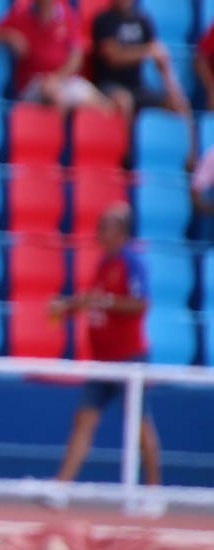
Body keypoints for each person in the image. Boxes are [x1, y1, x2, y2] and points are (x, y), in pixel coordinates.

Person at [46, 203, 160, 501]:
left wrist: (107, 302)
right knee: (83, 419)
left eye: (105, 227)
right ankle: (61, 487)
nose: (99, 233)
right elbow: (93, 300)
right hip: (102, 361)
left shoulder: (130, 262)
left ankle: (153, 491)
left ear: (120, 232)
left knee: (139, 423)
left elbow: (140, 304)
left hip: (129, 358)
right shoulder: (103, 264)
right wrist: (67, 306)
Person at [92, 0, 196, 163]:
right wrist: (146, 51)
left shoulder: (143, 21)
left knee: (181, 104)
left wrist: (172, 90)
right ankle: (128, 157)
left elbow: (159, 58)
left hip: (138, 86)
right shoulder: (103, 20)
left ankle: (190, 159)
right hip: (109, 85)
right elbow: (112, 56)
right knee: (124, 101)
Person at [0, 0, 108, 113]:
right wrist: (8, 35)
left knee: (106, 108)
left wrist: (57, 77)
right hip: (34, 83)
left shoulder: (69, 17)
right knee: (52, 94)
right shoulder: (20, 16)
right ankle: (59, 135)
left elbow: (76, 59)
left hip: (64, 79)